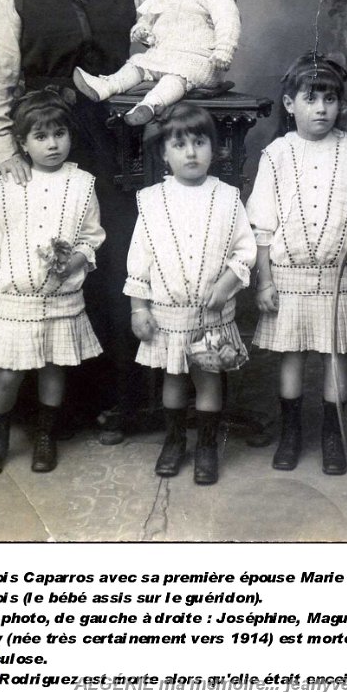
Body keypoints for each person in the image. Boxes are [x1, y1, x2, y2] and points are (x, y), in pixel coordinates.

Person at [0, 0, 147, 431]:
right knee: (38, 261)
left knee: (110, 262)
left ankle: (117, 400)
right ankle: (38, 411)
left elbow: (154, 63)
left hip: (116, 141)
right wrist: (4, 150)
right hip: (43, 138)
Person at [246, 53, 347, 475]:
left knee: (335, 357)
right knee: (291, 357)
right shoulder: (276, 155)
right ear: (290, 104)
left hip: (337, 279)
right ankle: (291, 432)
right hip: (289, 278)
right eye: (311, 99)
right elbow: (262, 226)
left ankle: (334, 434)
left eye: (330, 100)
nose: (322, 109)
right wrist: (265, 282)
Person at [124, 102, 256, 485]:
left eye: (200, 143)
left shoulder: (228, 197)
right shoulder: (151, 201)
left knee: (208, 377)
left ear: (214, 150)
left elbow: (245, 251)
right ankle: (175, 439)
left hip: (212, 313)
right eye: (180, 145)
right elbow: (140, 258)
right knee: (174, 379)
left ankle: (207, 445)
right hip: (168, 313)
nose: (192, 152)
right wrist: (139, 308)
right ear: (163, 153)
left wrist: (226, 284)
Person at [0, 89, 105, 475]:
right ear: (23, 143)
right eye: (42, 137)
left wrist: (76, 260)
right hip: (19, 300)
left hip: (62, 298)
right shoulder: (12, 182)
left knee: (53, 367)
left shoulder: (82, 183)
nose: (52, 145)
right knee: (9, 372)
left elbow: (91, 236)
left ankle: (46, 435)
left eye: (59, 134)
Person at [73, 0, 241, 126]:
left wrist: (224, 51)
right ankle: (107, 85)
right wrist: (142, 29)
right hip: (163, 56)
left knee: (174, 78)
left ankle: (151, 105)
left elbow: (228, 21)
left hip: (199, 60)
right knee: (137, 64)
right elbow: (147, 20)